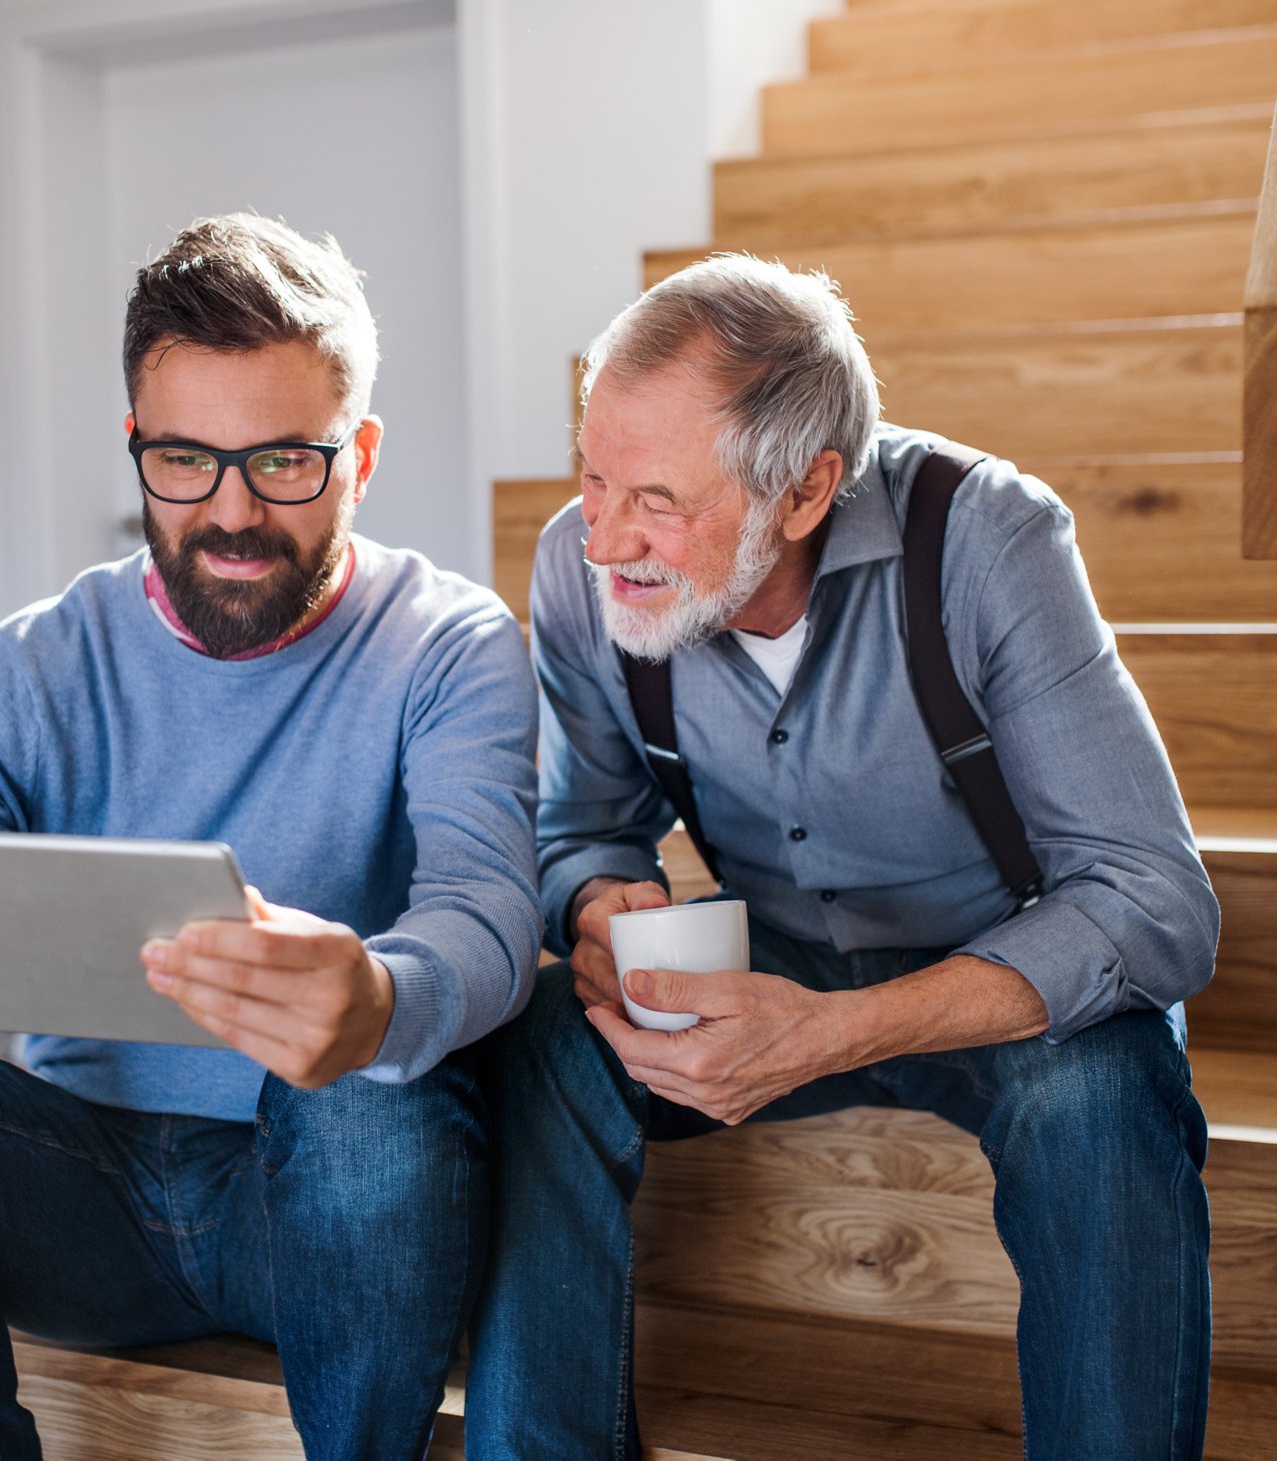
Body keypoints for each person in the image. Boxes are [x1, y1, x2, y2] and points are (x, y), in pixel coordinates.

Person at [0, 212, 540, 1461]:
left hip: (320, 1198)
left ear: (359, 454)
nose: (233, 511)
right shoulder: (37, 666)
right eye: (187, 461)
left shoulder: (451, 643)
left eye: (286, 462)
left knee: (371, 1093)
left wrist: (380, 993)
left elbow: (489, 910)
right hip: (76, 1191)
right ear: (136, 448)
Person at [463, 255, 1219, 1460]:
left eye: (654, 498)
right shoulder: (579, 562)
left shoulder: (985, 538)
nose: (604, 537)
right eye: (590, 476)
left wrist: (830, 1032)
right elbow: (585, 824)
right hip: (774, 947)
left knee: (1100, 1093)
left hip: (999, 972)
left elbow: (1153, 903)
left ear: (806, 491)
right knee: (544, 1037)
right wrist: (602, 904)